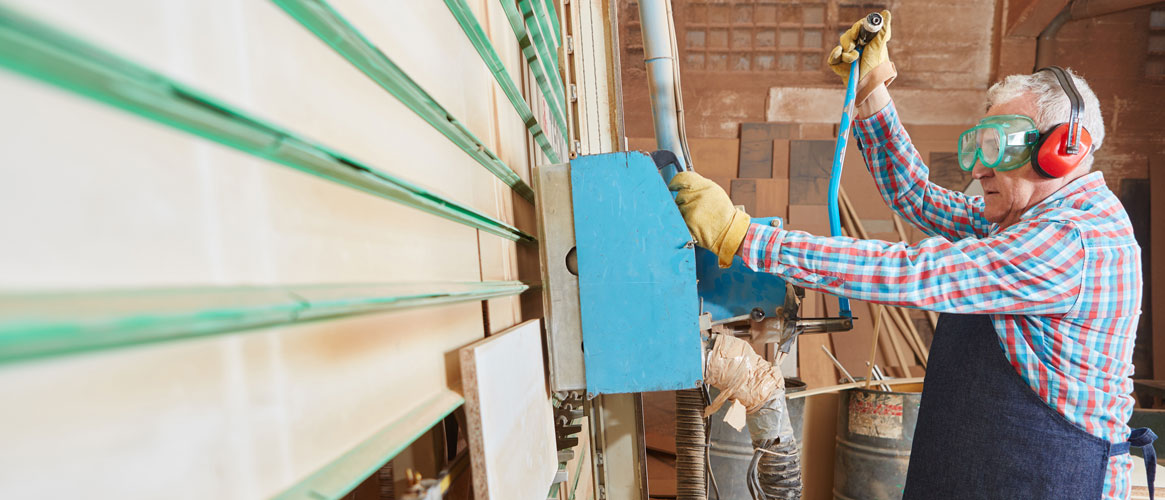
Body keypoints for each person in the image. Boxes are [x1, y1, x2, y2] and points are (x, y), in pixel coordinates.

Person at [668, 10, 1154, 500]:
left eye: (1000, 147)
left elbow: (912, 273)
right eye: (979, 146)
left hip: (1045, 476)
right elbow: (917, 196)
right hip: (983, 467)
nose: (982, 169)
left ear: (1061, 151)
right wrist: (872, 89)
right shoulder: (1019, 218)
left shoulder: (1073, 242)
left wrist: (746, 239)